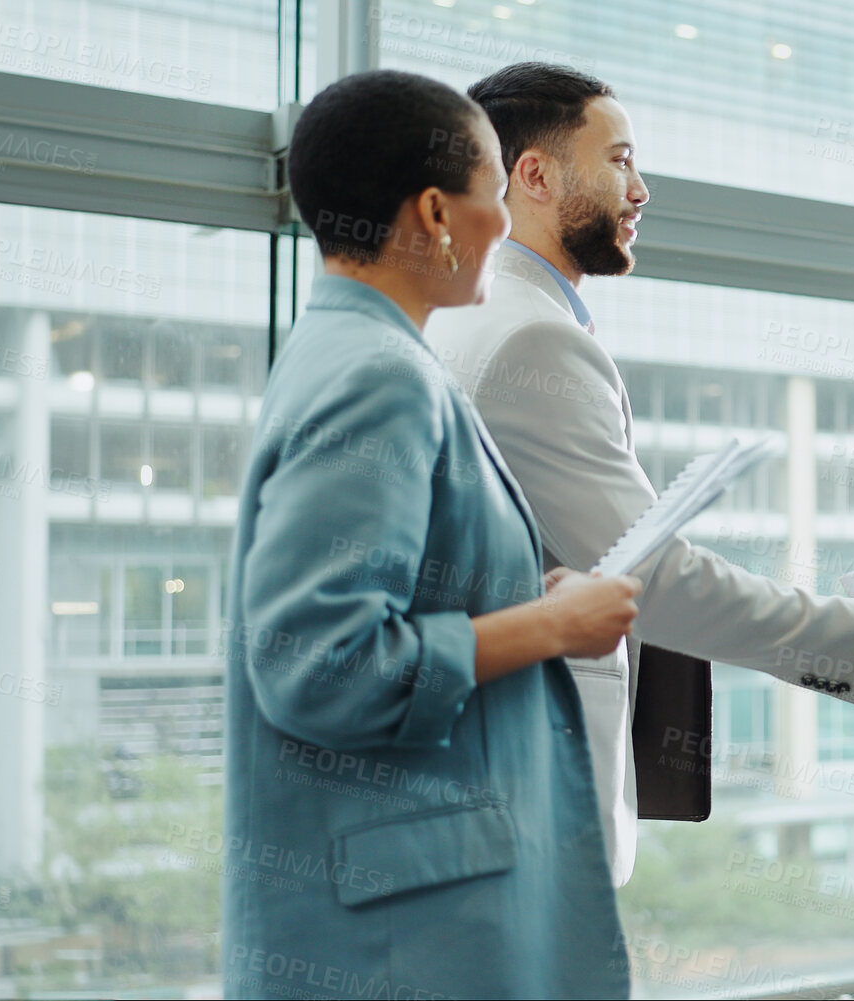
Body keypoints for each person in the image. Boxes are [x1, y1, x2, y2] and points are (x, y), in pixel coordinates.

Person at [421, 62, 854, 887]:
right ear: (533, 175)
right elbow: (652, 580)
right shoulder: (528, 340)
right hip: (521, 799)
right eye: (618, 160)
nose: (641, 189)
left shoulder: (480, 320)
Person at [223, 70, 641, 998]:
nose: (504, 221)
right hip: (403, 931)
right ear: (435, 214)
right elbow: (317, 662)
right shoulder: (380, 378)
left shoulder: (348, 350)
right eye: (492, 191)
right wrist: (554, 627)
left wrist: (526, 599)